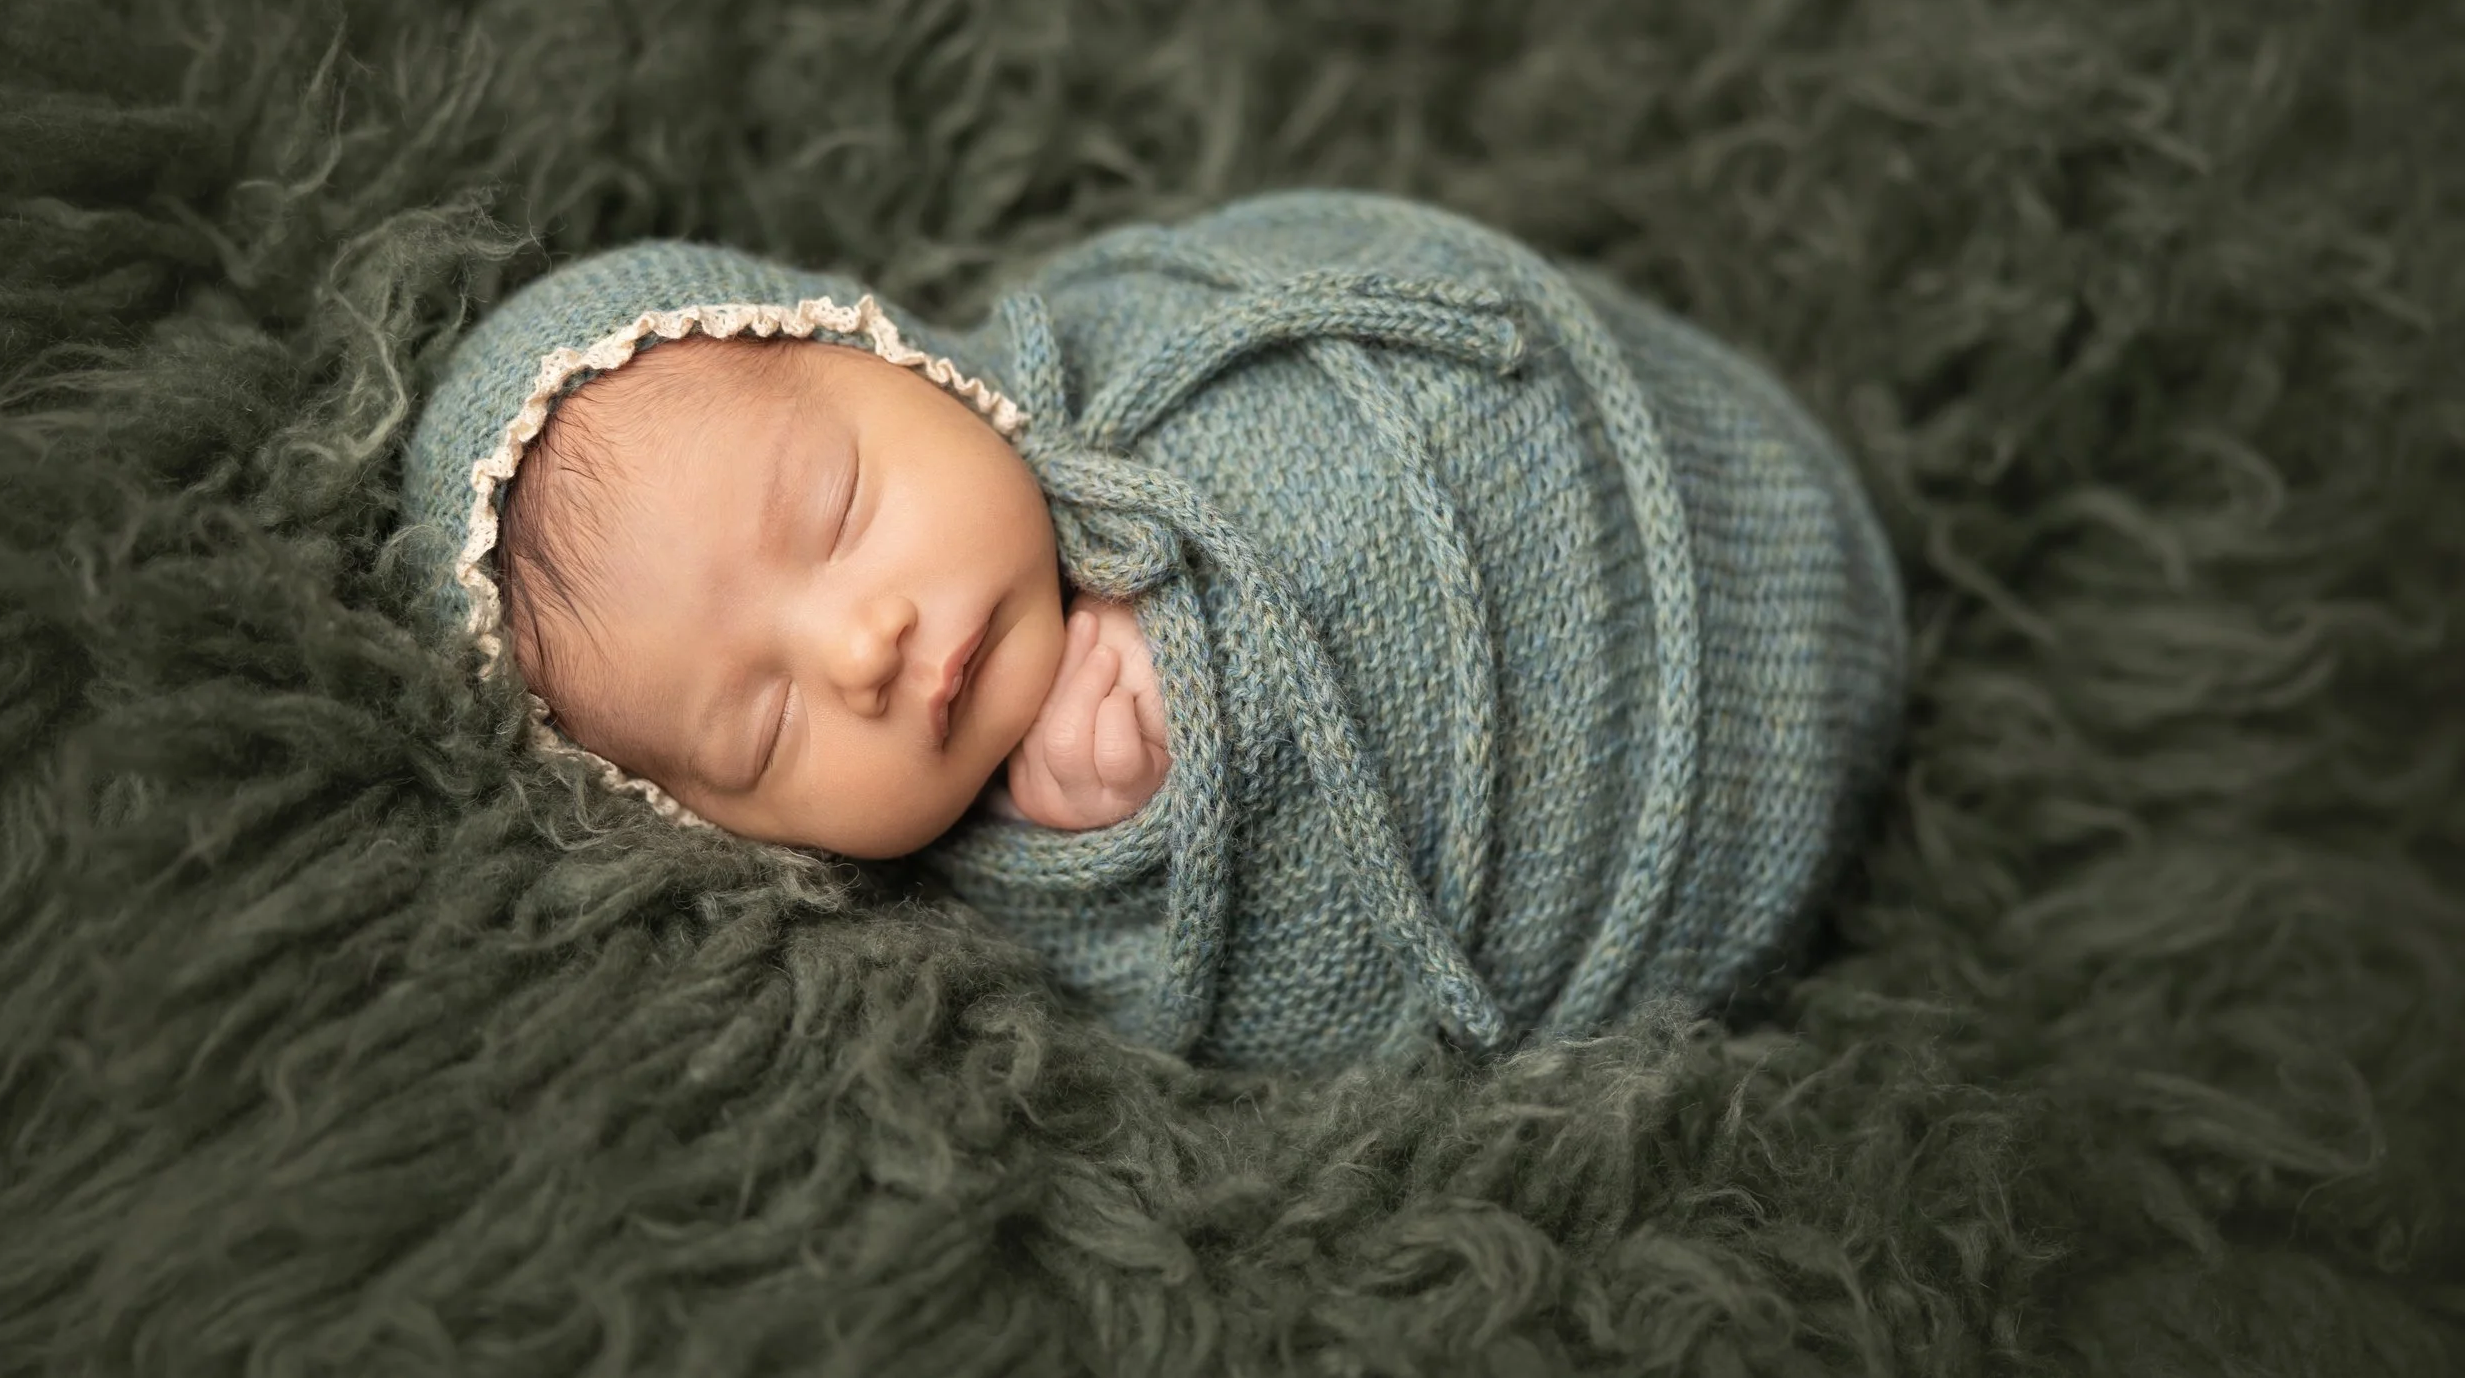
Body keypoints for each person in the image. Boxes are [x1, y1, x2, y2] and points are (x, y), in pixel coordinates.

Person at [400, 190, 1909, 1072]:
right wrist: (1157, 809)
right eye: (765, 727)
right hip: (1625, 906)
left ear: (899, 359)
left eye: (838, 508)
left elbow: (1415, 307)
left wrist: (1209, 608)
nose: (859, 647)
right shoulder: (973, 989)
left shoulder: (1153, 334)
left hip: (1688, 502)